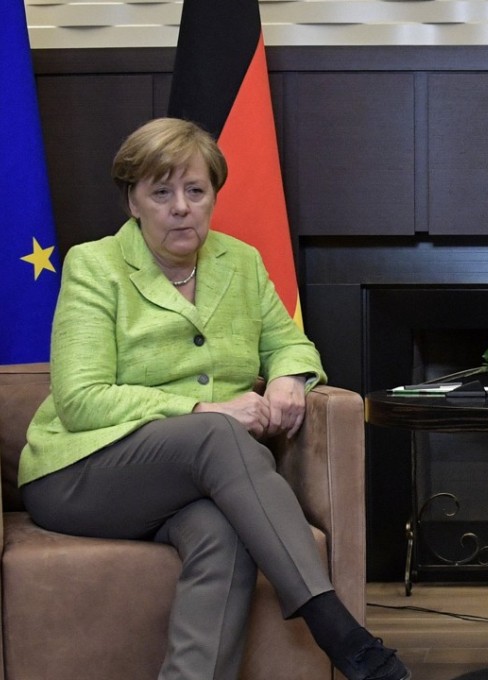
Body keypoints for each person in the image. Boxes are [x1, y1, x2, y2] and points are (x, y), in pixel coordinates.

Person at [19, 117, 411, 680]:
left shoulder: (241, 262)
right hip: (81, 475)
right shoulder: (95, 265)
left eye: (195, 191)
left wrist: (288, 377)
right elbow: (80, 400)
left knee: (223, 532)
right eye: (161, 192)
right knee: (218, 433)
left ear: (212, 197)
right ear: (133, 201)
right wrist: (205, 410)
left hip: (189, 484)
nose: (181, 207)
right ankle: (337, 629)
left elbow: (289, 343)